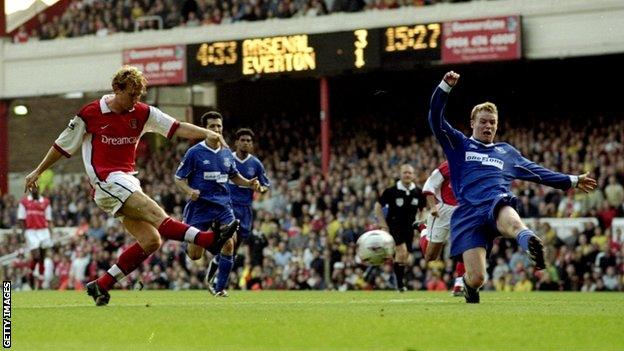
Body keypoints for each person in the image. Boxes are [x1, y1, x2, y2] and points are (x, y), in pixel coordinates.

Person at [24, 66, 238, 306]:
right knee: (157, 213)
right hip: (106, 182)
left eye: (139, 95)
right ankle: (209, 241)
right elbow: (61, 146)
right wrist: (37, 171)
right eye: (131, 94)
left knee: (152, 241)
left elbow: (176, 127)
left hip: (126, 181)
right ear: (117, 89)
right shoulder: (90, 113)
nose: (135, 100)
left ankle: (101, 285)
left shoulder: (143, 112)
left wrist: (207, 133)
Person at [427, 71, 597, 303]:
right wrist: (445, 87)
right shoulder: (459, 145)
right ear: (472, 123)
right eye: (483, 122)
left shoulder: (506, 152)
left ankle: (532, 246)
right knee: (477, 278)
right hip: (467, 213)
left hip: (495, 203)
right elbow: (435, 119)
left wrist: (573, 180)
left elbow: (538, 173)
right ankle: (468, 285)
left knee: (514, 221)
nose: (488, 126)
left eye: (492, 122)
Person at [175, 112, 261, 297]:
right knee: (195, 255)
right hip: (200, 207)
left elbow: (234, 176)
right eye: (212, 126)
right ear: (204, 129)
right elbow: (178, 178)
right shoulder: (194, 152)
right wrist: (190, 191)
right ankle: (201, 240)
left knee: (230, 243)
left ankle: (220, 287)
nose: (216, 130)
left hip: (222, 206)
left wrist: (248, 183)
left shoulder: (226, 153)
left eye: (219, 126)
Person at [203, 128, 270, 293]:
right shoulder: (226, 159)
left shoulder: (255, 164)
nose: (246, 143)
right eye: (243, 140)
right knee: (229, 243)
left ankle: (214, 268)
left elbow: (265, 185)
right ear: (237, 142)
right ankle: (219, 288)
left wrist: (260, 189)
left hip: (246, 211)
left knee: (231, 252)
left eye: (249, 141)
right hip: (228, 208)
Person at [374, 164, 426, 292]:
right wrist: (383, 225)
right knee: (401, 251)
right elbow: (378, 207)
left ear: (413, 175)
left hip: (409, 229)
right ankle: (400, 284)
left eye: (409, 173)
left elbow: (422, 209)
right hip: (394, 226)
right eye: (405, 173)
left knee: (404, 256)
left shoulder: (418, 192)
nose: (407, 175)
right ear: (400, 174)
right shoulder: (391, 191)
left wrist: (420, 222)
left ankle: (399, 282)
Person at [420, 161, 465, 296]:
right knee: (430, 256)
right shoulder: (448, 166)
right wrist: (433, 206)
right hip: (443, 210)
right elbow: (429, 185)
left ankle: (459, 284)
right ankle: (423, 229)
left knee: (466, 246)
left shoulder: (476, 164)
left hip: (464, 210)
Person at [17, 189, 53, 289]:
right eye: (32, 188)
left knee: (42, 257)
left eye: (36, 188)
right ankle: (31, 275)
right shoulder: (24, 202)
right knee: (36, 256)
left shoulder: (45, 202)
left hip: (43, 231)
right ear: (30, 190)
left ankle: (40, 283)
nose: (35, 190)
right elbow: (21, 219)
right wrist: (23, 234)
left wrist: (51, 233)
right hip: (31, 231)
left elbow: (49, 219)